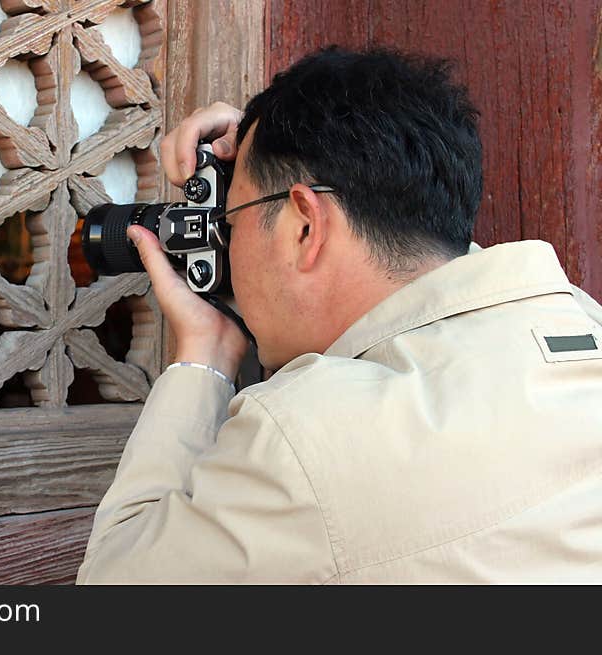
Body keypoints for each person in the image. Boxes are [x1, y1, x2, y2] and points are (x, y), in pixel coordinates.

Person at [76, 47, 602, 583]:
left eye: (229, 220)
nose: (225, 244)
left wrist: (204, 358)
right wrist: (270, 148)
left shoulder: (308, 440)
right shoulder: (579, 327)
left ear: (305, 226)